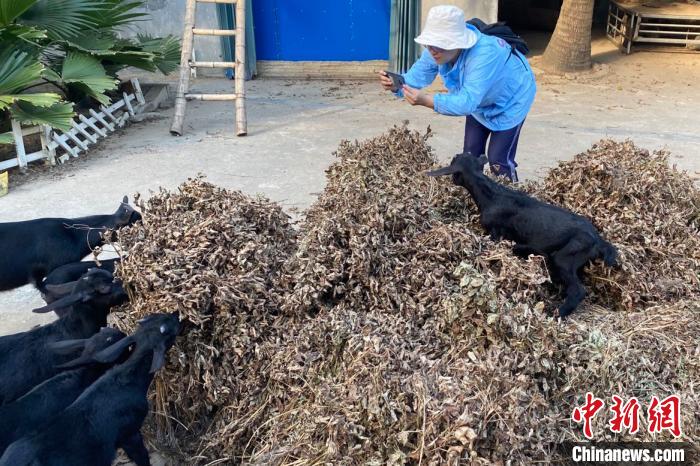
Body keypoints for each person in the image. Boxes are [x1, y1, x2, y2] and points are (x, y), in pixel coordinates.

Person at [379, 5, 536, 181]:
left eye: (440, 44)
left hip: (512, 99)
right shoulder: (434, 50)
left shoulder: (484, 54)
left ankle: (514, 203)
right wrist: (397, 85)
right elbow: (417, 76)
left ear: (458, 42)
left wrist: (427, 100)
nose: (432, 50)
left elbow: (466, 102)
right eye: (429, 44)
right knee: (469, 156)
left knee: (498, 160)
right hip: (479, 99)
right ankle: (472, 199)